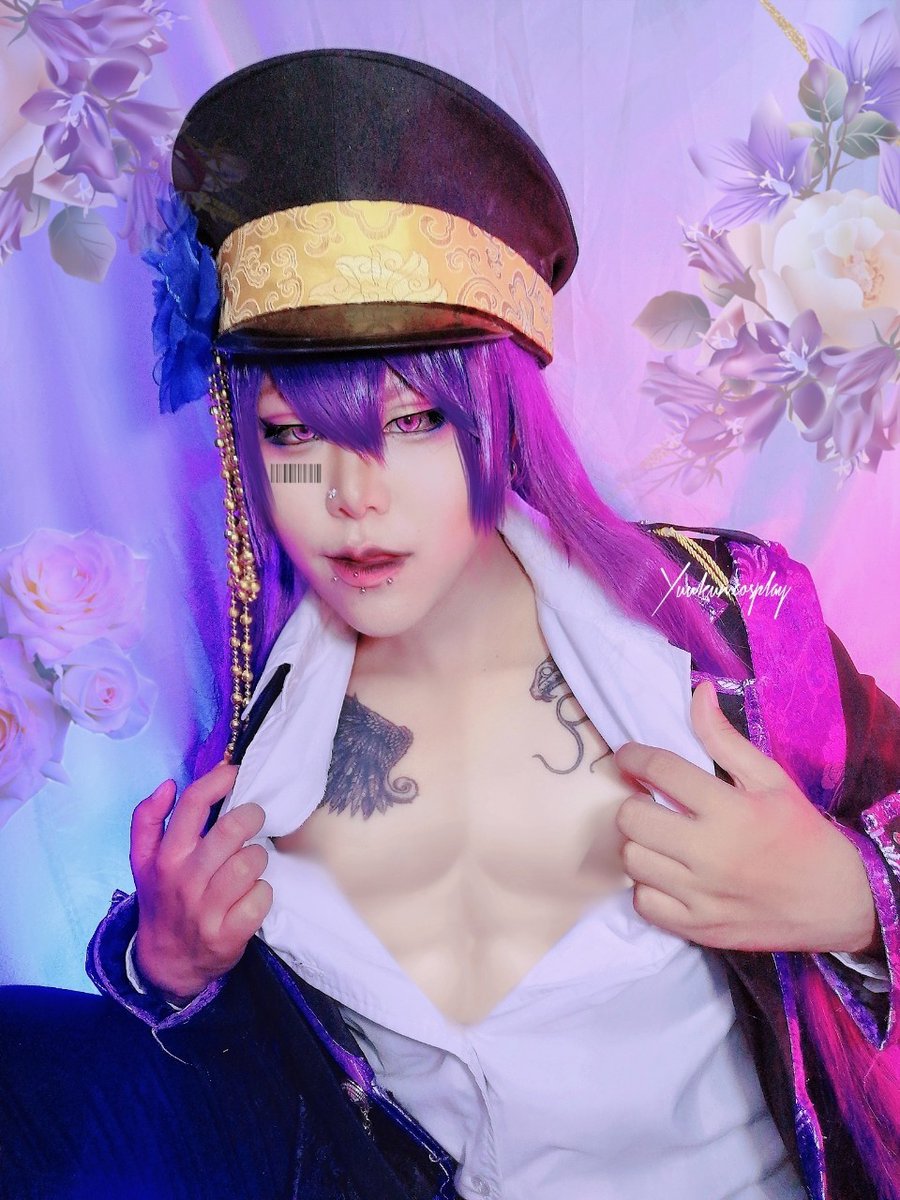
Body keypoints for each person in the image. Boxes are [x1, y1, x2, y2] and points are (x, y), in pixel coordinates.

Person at [2, 48, 900, 1200]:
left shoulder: (729, 622)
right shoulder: (259, 751)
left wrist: (854, 901)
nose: (352, 496)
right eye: (292, 435)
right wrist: (167, 968)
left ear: (500, 415)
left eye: (414, 420)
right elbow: (252, 1095)